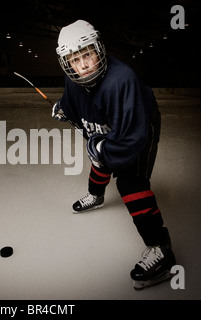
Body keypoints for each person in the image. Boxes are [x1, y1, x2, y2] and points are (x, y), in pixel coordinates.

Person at [52, 20, 176, 290]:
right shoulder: (73, 79)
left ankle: (162, 250)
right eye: (74, 59)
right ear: (67, 63)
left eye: (87, 54)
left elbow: (132, 138)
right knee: (99, 157)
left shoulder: (122, 80)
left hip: (139, 125)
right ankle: (96, 195)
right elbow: (73, 102)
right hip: (111, 122)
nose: (83, 65)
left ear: (99, 50)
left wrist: (103, 148)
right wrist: (64, 108)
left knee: (130, 182)